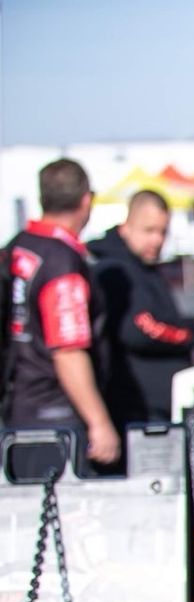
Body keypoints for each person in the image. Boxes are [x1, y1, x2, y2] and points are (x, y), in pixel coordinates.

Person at [3, 158, 118, 466]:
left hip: (17, 410)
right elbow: (67, 349)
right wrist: (99, 421)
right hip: (55, 416)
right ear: (86, 200)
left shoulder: (17, 248)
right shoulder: (60, 262)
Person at [90, 189, 194, 425]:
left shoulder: (142, 267)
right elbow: (141, 328)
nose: (157, 240)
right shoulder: (116, 268)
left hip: (159, 407)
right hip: (138, 410)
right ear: (126, 226)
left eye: (163, 232)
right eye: (149, 230)